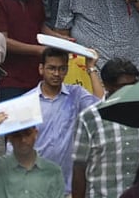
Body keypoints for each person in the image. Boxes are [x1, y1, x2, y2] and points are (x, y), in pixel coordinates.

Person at [73, 59, 139, 198]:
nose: (129, 90)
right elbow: (79, 167)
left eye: (133, 84)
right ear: (107, 86)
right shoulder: (89, 118)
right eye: (123, 86)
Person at [35, 48, 101, 190]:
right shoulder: (27, 102)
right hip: (36, 185)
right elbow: (14, 148)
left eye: (62, 69)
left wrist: (91, 68)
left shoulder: (76, 94)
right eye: (51, 68)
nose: (57, 74)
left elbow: (101, 105)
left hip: (69, 186)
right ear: (41, 69)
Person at [0, 0, 51, 100]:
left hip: (35, 74)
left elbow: (41, 27)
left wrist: (62, 39)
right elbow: (1, 40)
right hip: (9, 77)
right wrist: (38, 50)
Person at [0, 116, 66, 198]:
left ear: (35, 133)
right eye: (17, 135)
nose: (23, 140)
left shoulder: (53, 172)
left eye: (27, 134)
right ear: (9, 137)